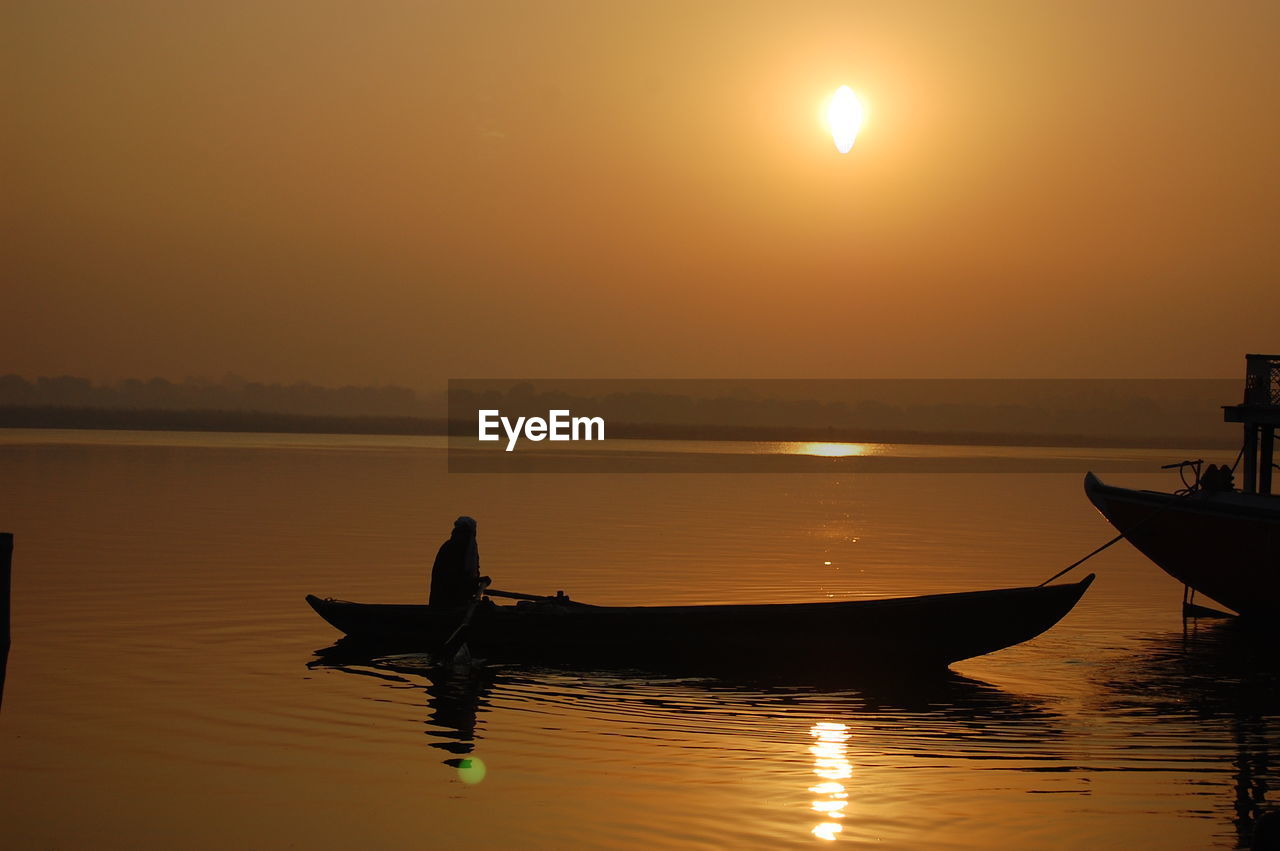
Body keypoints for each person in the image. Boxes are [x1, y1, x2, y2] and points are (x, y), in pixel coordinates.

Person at [429, 516, 488, 608]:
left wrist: (479, 581)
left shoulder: (468, 548)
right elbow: (453, 581)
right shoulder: (452, 548)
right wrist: (475, 582)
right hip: (447, 604)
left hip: (459, 601)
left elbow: (467, 576)